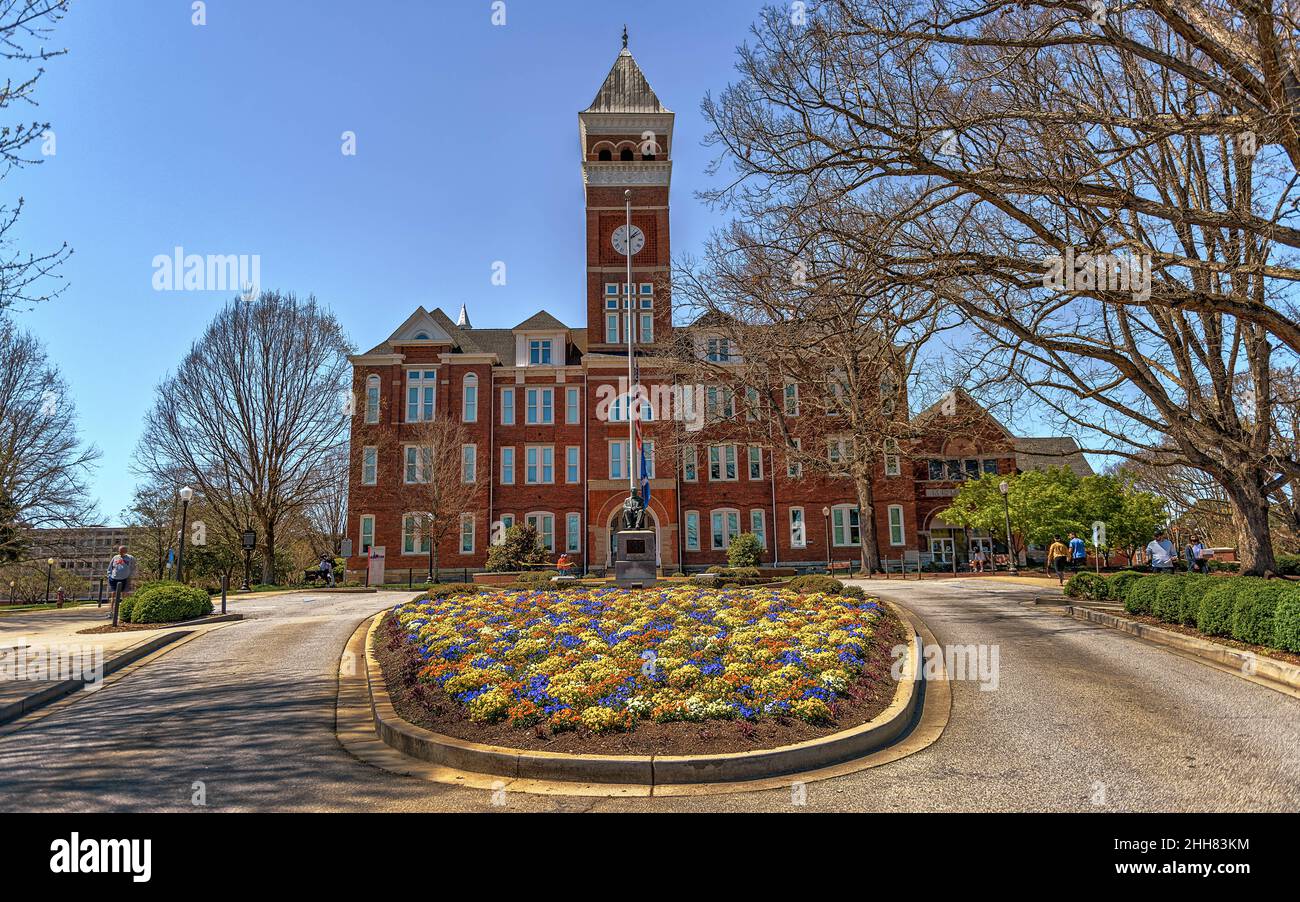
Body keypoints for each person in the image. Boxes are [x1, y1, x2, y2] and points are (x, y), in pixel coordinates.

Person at [106, 545, 137, 625]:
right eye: (119, 551)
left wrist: (131, 576)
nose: (120, 552)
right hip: (114, 578)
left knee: (125, 596)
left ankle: (124, 612)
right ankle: (111, 612)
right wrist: (109, 575)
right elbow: (110, 567)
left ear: (125, 551)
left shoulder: (130, 558)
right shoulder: (115, 557)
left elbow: (134, 568)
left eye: (122, 551)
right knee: (113, 595)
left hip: (125, 579)